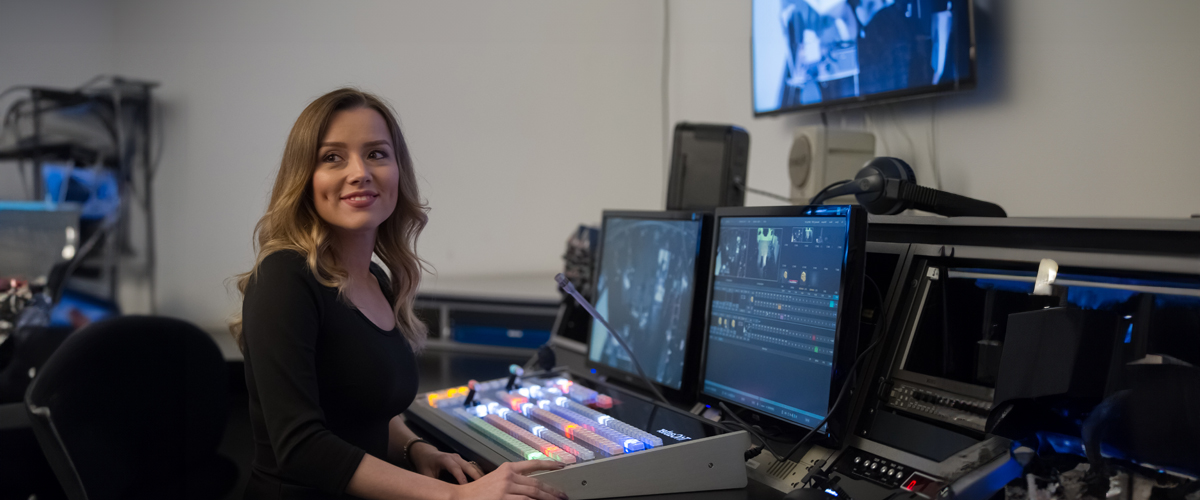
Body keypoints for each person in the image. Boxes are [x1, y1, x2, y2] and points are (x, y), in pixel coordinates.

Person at [230, 88, 568, 500]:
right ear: (305, 177)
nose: (360, 172)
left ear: (397, 169)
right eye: (332, 157)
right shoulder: (284, 278)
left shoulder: (377, 278)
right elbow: (301, 447)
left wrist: (415, 447)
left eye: (376, 154)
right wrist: (456, 497)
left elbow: (361, 407)